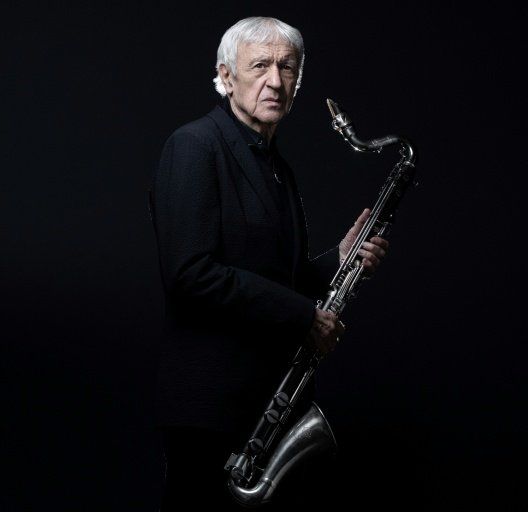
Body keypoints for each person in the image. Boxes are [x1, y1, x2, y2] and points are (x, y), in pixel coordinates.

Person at [149, 17, 389, 510]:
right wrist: (304, 317)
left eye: (288, 68)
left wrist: (339, 260)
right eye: (260, 66)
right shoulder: (194, 146)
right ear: (226, 76)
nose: (275, 81)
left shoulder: (276, 166)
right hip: (210, 408)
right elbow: (189, 274)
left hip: (261, 403)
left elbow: (282, 278)